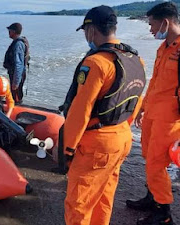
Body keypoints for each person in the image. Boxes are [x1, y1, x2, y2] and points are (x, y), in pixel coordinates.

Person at [62, 6, 146, 225]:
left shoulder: (96, 63)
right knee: (103, 198)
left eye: (85, 32)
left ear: (91, 31)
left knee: (78, 205)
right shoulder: (136, 59)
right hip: (121, 137)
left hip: (96, 145)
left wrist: (66, 149)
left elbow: (81, 110)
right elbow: (133, 101)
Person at [125, 2, 180, 225]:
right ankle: (152, 197)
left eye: (152, 24)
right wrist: (143, 108)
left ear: (165, 22)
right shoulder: (164, 48)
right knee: (149, 158)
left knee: (157, 163)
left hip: (169, 118)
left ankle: (163, 212)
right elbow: (156, 82)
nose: (150, 29)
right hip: (153, 114)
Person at [3, 22, 28, 104]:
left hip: (17, 75)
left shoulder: (18, 45)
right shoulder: (18, 42)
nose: (8, 33)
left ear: (13, 31)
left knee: (16, 97)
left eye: (9, 31)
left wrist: (15, 82)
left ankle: (16, 109)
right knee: (15, 95)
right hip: (16, 74)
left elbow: (19, 64)